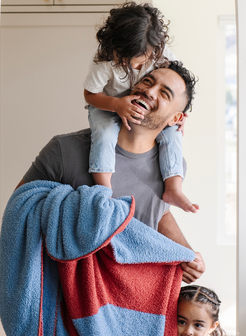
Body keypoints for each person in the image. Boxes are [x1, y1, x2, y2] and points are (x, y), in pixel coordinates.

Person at [21, 62, 205, 283]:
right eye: (147, 81)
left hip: (133, 295)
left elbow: (159, 212)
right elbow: (20, 208)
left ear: (176, 119)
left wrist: (185, 254)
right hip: (67, 296)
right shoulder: (64, 150)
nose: (149, 91)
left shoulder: (172, 170)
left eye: (164, 93)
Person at [83, 2, 198, 214]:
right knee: (105, 133)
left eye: (139, 61)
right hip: (107, 103)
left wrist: (178, 115)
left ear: (155, 49)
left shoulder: (163, 55)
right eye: (124, 60)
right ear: (112, 48)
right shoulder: (104, 62)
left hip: (143, 106)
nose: (133, 67)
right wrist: (117, 104)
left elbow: (178, 88)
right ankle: (103, 188)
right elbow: (90, 94)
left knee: (173, 133)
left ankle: (173, 187)